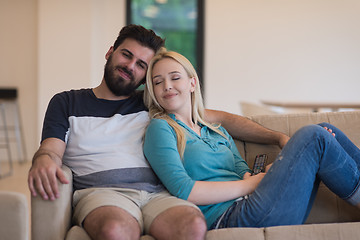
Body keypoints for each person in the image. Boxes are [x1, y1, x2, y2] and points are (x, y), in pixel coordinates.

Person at [28, 24, 288, 240]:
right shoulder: (66, 102)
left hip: (158, 193)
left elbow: (215, 118)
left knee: (192, 226)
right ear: (110, 52)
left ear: (145, 75)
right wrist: (43, 160)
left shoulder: (152, 102)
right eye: (126, 55)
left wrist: (276, 137)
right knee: (117, 230)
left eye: (141, 65)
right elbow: (51, 149)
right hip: (102, 192)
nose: (131, 66)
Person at [143, 50, 360, 230]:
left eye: (175, 77)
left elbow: (242, 172)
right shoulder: (161, 128)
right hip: (229, 217)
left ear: (192, 83)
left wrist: (274, 172)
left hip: (256, 203)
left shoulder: (215, 130)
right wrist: (249, 184)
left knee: (325, 130)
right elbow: (185, 190)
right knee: (313, 135)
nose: (167, 86)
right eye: (158, 82)